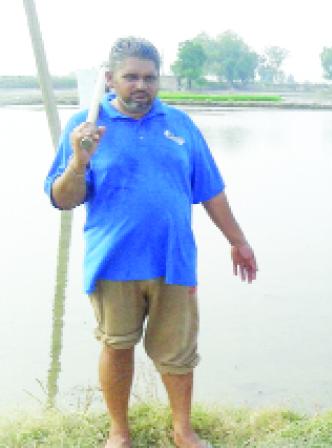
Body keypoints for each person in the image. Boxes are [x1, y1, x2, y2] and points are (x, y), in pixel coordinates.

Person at [44, 37, 257, 448]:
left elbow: (210, 190)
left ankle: (183, 431)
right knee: (116, 346)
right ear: (109, 79)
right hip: (113, 263)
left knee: (177, 354)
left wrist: (238, 240)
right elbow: (61, 199)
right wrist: (79, 160)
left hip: (173, 260)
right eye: (130, 77)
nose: (141, 85)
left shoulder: (179, 124)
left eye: (149, 77)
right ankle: (119, 433)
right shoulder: (83, 128)